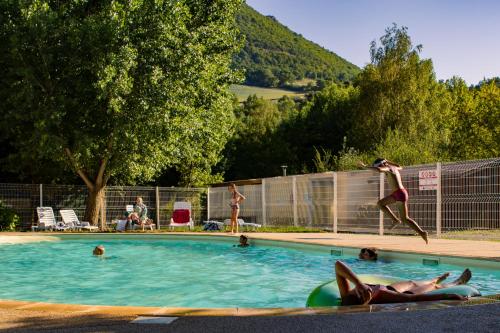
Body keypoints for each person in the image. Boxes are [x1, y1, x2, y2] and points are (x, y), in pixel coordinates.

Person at [335, 260, 470, 305]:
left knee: (412, 281)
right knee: (432, 287)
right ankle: (457, 282)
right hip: (395, 295)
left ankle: (437, 278)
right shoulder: (380, 295)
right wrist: (448, 296)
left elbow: (338, 265)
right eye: (366, 294)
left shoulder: (346, 296)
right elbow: (413, 298)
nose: (367, 291)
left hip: (388, 287)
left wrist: (358, 283)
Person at [359, 158, 428, 244]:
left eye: (381, 165)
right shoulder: (394, 167)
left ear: (383, 165)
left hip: (399, 194)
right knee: (380, 204)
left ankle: (422, 232)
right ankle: (395, 220)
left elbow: (379, 170)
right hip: (397, 194)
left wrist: (365, 167)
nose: (381, 167)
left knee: (405, 219)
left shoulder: (388, 168)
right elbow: (400, 166)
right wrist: (388, 161)